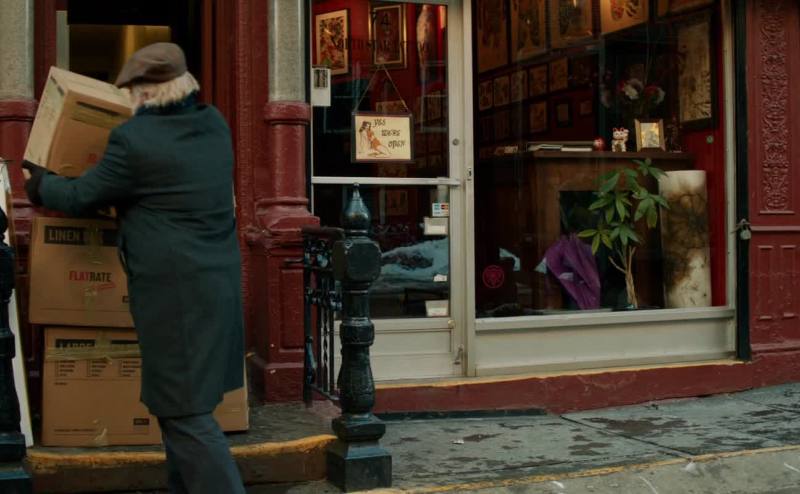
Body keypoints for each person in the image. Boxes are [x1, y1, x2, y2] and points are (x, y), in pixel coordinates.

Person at [22, 43, 245, 494]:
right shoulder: (214, 125)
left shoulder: (135, 140)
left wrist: (40, 183)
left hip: (176, 296)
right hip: (216, 284)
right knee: (180, 405)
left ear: (143, 94)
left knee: (185, 412)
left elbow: (81, 196)